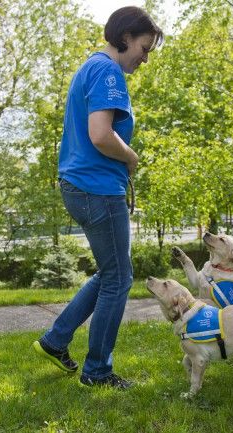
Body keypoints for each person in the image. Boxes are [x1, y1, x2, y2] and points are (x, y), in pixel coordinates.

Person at [33, 7, 163, 390]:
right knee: (119, 279)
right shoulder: (107, 72)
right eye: (144, 47)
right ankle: (97, 371)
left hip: (82, 186)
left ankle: (56, 340)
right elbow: (101, 135)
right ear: (125, 37)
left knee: (110, 274)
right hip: (97, 189)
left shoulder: (90, 67)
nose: (145, 56)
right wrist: (131, 157)